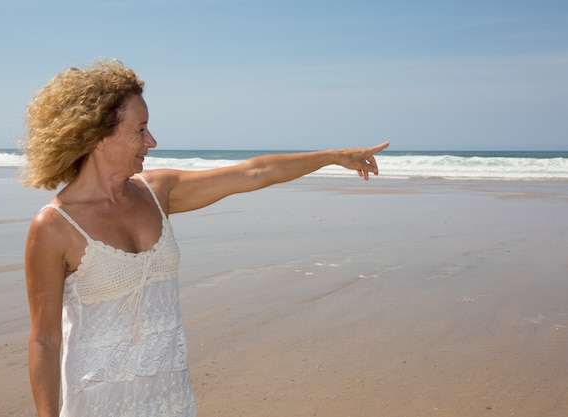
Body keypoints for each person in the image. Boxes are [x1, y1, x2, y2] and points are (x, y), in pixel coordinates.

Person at [22, 58, 389, 417]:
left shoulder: (158, 191)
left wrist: (336, 157)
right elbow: (45, 339)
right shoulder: (54, 227)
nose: (152, 140)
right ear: (100, 135)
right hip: (98, 404)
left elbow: (254, 173)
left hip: (169, 397)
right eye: (140, 129)